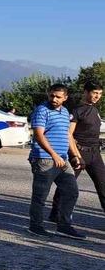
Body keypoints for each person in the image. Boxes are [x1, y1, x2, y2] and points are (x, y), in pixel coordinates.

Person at [27, 84, 84, 239]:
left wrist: (74, 155)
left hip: (62, 159)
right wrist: (53, 154)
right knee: (40, 196)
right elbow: (39, 135)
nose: (54, 99)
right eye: (52, 95)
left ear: (65, 98)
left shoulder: (65, 112)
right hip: (44, 159)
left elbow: (67, 134)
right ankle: (35, 226)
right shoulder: (42, 110)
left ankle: (64, 226)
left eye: (58, 97)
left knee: (71, 192)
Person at [51, 81, 104, 219]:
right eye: (94, 93)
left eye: (99, 94)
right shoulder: (77, 110)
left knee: (103, 185)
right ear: (85, 92)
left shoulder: (95, 110)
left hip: (95, 153)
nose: (97, 96)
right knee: (67, 184)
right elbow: (69, 133)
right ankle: (56, 214)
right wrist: (76, 155)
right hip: (79, 152)